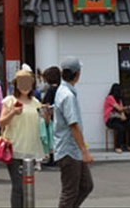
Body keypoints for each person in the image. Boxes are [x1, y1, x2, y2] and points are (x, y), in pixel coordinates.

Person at [0, 69, 47, 208]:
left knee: (28, 186)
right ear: (16, 84)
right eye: (22, 82)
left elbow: (43, 123)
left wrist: (47, 116)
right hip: (14, 149)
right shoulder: (9, 101)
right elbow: (1, 122)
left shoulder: (36, 102)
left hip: (30, 150)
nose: (25, 86)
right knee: (18, 186)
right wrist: (13, 112)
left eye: (28, 83)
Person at [53, 56, 94, 208]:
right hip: (69, 149)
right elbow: (73, 125)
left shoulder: (63, 91)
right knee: (69, 191)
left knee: (86, 185)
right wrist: (84, 150)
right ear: (77, 74)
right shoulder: (67, 95)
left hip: (71, 149)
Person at [104, 83, 128, 153]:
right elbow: (119, 108)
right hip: (110, 119)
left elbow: (121, 110)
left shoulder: (119, 100)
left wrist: (123, 115)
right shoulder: (110, 98)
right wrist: (126, 108)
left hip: (118, 118)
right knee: (120, 128)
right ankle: (117, 146)